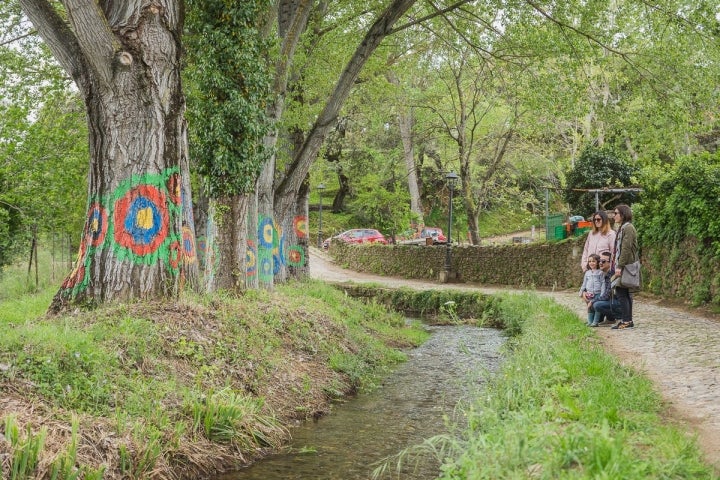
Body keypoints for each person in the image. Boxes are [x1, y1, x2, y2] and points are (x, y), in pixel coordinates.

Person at [611, 204, 639, 329]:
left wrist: (620, 266)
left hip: (626, 265)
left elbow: (626, 248)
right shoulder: (622, 228)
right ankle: (627, 320)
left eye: (616, 213)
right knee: (624, 292)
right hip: (623, 264)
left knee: (622, 292)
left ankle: (626, 320)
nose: (614, 216)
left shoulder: (628, 228)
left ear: (623, 214)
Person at [588, 251, 622, 326]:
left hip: (618, 303)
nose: (600, 263)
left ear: (610, 263)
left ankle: (618, 316)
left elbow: (607, 296)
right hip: (611, 301)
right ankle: (609, 319)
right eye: (599, 261)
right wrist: (585, 293)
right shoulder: (602, 274)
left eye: (603, 261)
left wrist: (593, 301)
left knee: (597, 304)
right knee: (593, 301)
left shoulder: (612, 274)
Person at [578, 254, 604, 325]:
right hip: (589, 294)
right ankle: (590, 321)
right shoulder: (587, 273)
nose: (591, 263)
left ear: (598, 262)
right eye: (589, 261)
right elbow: (584, 283)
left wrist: (602, 294)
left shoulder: (600, 272)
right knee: (589, 307)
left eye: (593, 261)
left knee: (596, 308)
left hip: (598, 293)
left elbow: (603, 283)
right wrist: (581, 292)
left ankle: (595, 322)